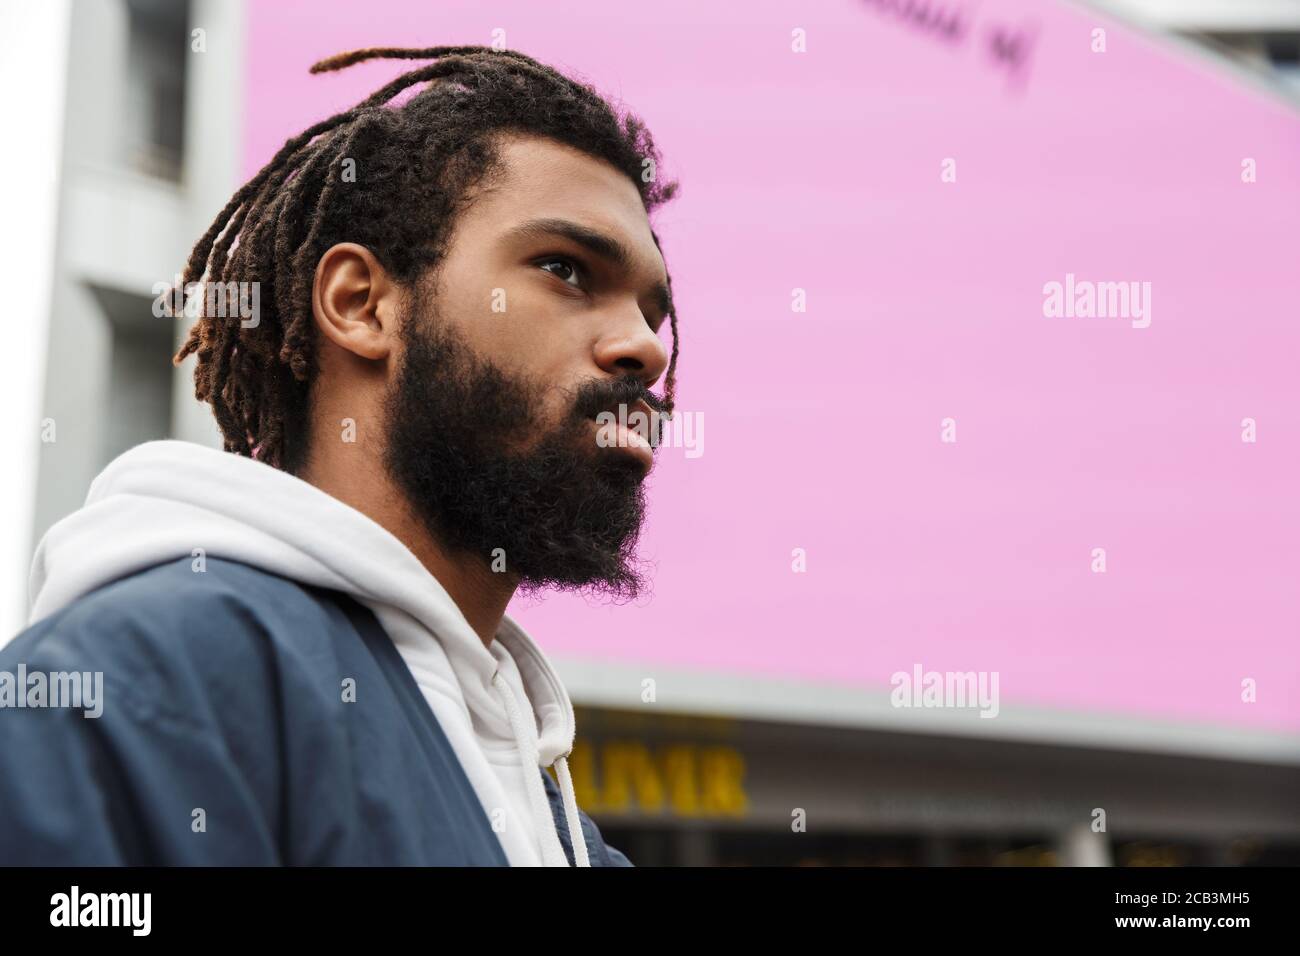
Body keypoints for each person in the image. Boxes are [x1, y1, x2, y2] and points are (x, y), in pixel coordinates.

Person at [0, 45, 683, 866]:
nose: (645, 349)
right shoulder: (142, 687)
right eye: (566, 270)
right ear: (360, 305)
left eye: (654, 312)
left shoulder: (566, 838)